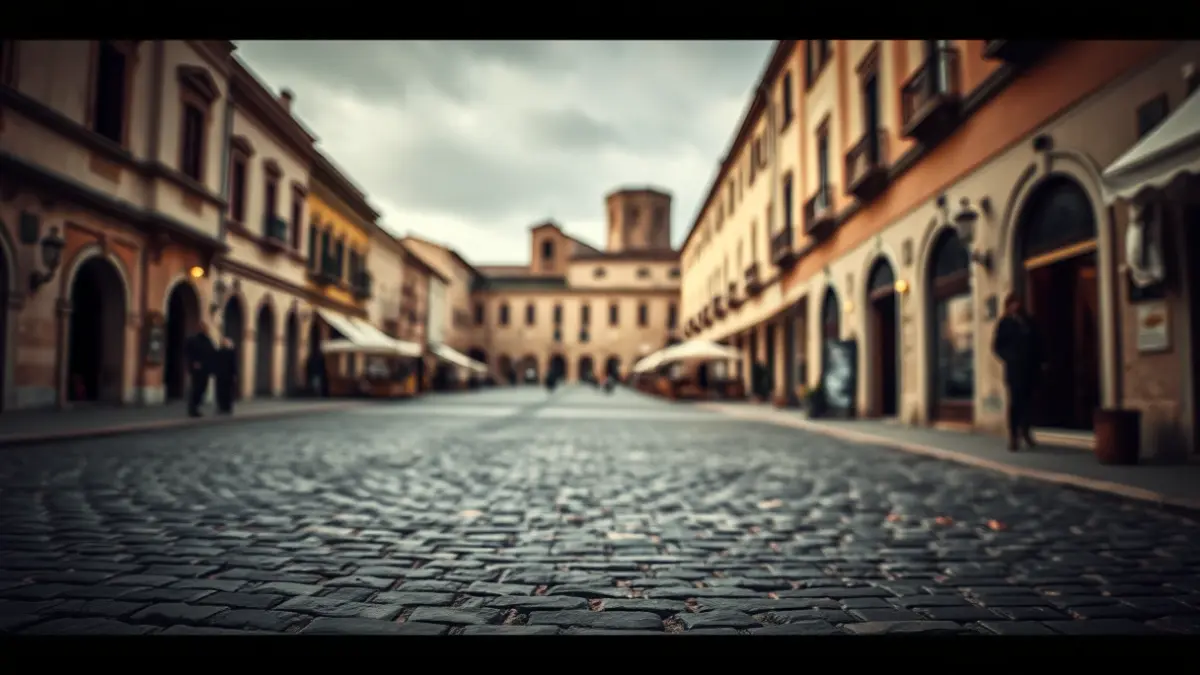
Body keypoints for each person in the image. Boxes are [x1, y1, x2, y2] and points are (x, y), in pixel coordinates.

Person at [992, 292, 1045, 452]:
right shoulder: (1005, 323)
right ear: (1008, 306)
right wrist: (1010, 358)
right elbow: (997, 346)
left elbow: (1038, 342)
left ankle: (1026, 432)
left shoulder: (1028, 321)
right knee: (1015, 403)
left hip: (1030, 368)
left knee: (1028, 403)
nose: (1016, 306)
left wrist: (1042, 361)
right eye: (1013, 303)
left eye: (1018, 303)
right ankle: (1013, 436)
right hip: (1014, 370)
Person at [184, 323, 216, 417]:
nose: (206, 330)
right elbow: (187, 352)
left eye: (206, 328)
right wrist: (193, 362)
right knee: (196, 388)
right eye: (204, 328)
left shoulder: (208, 341)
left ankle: (196, 407)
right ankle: (192, 408)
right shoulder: (193, 340)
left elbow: (213, 353)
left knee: (202, 388)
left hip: (206, 369)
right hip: (197, 369)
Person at [214, 337, 238, 414]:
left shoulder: (218, 352)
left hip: (220, 375)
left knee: (221, 391)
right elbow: (233, 364)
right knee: (228, 392)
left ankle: (221, 407)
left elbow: (215, 363)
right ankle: (227, 407)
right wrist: (235, 374)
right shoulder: (231, 352)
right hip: (228, 375)